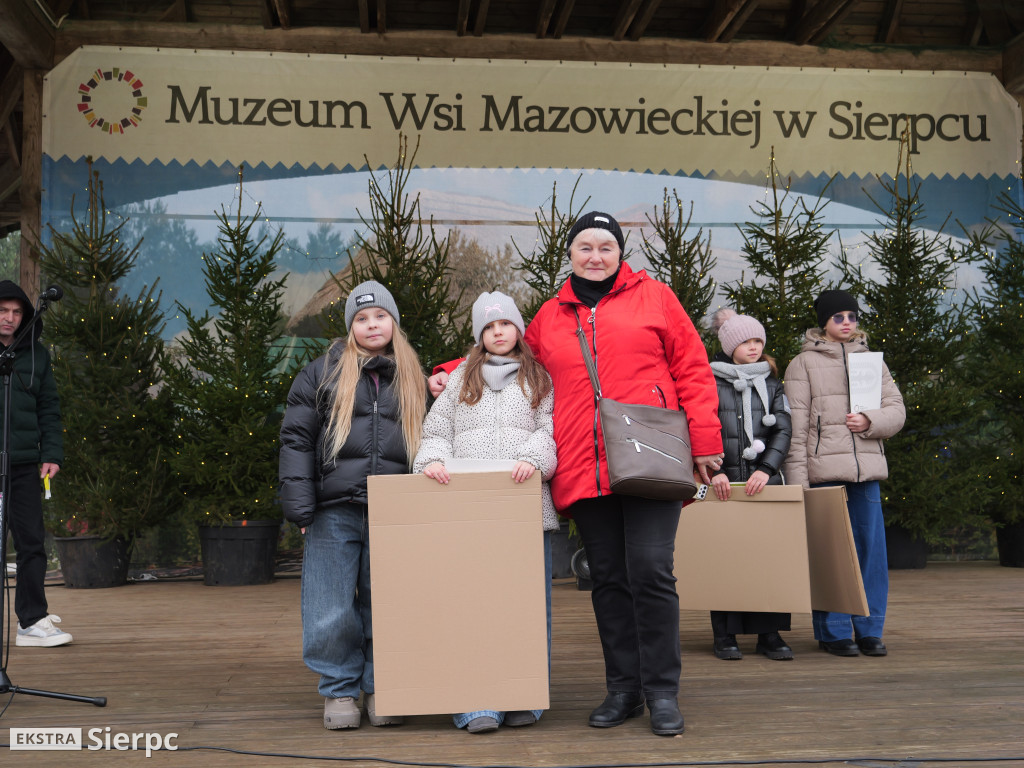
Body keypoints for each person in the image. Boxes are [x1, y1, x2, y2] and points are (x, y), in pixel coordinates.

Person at [432, 211, 723, 736]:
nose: (595, 255)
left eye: (605, 246)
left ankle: (662, 692)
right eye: (585, 247)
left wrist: (703, 443)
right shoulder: (550, 314)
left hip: (648, 455)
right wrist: (453, 372)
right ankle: (623, 690)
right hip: (584, 466)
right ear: (570, 255)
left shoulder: (656, 298)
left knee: (652, 572)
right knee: (607, 578)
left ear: (620, 253)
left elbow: (693, 368)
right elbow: (511, 356)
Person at [279, 280, 427, 729]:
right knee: (330, 604)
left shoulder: (413, 376)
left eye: (379, 315)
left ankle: (385, 685)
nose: (371, 324)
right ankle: (340, 688)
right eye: (361, 318)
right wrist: (301, 507)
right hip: (334, 508)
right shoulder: (321, 372)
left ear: (393, 322)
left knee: (388, 603)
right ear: (350, 328)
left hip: (395, 508)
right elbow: (296, 438)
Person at [414, 291, 557, 734]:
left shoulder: (539, 379)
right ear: (478, 336)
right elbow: (437, 429)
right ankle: (476, 700)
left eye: (506, 324)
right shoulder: (460, 379)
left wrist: (534, 459)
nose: (498, 333)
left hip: (524, 506)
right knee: (469, 603)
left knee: (526, 605)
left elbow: (550, 428)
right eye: (488, 327)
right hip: (468, 510)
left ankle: (523, 693)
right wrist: (431, 461)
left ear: (518, 330)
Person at [783, 289, 905, 657]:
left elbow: (897, 409)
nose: (847, 323)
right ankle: (834, 631)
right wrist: (799, 485)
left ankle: (870, 629)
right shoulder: (801, 365)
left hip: (866, 472)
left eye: (852, 316)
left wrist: (871, 420)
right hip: (824, 474)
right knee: (832, 554)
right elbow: (796, 430)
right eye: (839, 317)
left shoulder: (872, 362)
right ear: (824, 321)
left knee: (871, 554)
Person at [706, 309, 793, 661]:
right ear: (729, 346)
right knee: (724, 559)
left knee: (767, 559)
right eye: (745, 341)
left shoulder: (772, 383)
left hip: (763, 484)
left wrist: (768, 468)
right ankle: (724, 634)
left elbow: (783, 429)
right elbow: (702, 427)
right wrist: (715, 471)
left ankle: (769, 634)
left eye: (758, 340)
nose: (754, 347)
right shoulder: (708, 381)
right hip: (724, 484)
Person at [0, 281, 69, 648]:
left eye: (16, 312)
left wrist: (51, 454)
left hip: (26, 464)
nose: (10, 318)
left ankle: (32, 620)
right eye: (3, 310)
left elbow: (50, 407)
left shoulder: (37, 355)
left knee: (31, 544)